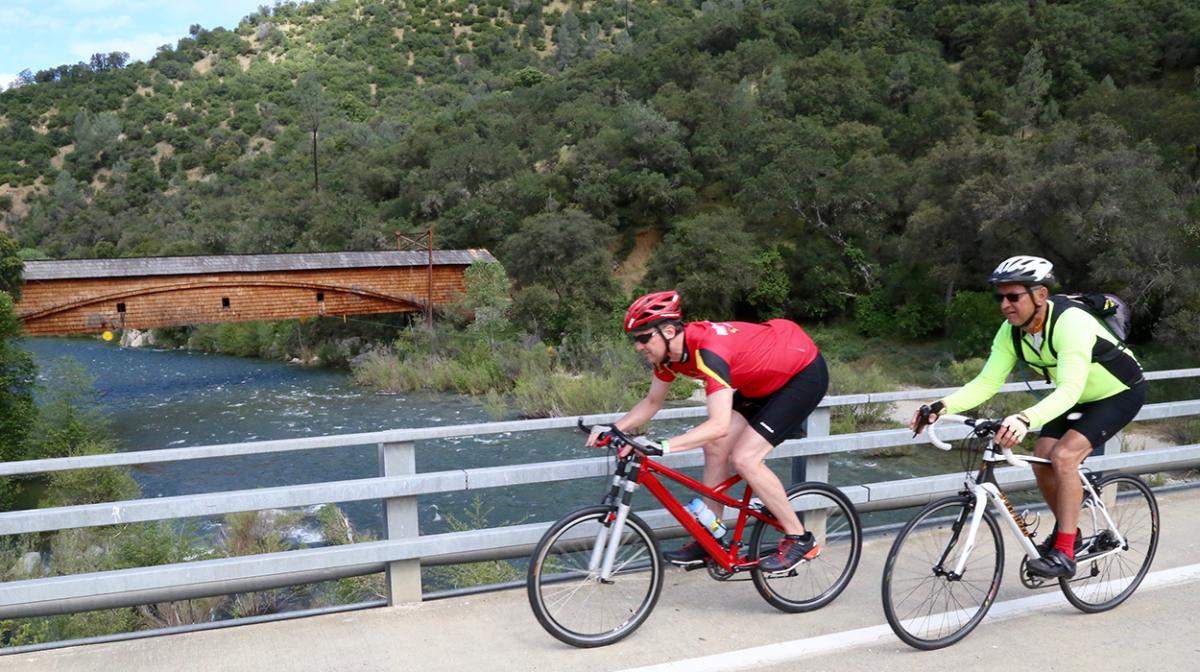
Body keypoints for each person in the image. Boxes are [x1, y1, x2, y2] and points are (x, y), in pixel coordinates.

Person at [910, 255, 1145, 578]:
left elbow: (1069, 389)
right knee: (1041, 456)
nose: (1005, 305)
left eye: (1013, 296)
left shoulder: (1070, 323)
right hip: (1075, 396)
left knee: (1064, 457)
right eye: (1000, 298)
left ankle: (1064, 553)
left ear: (1040, 295)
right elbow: (986, 383)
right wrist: (940, 407)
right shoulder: (1011, 332)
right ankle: (1071, 534)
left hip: (1117, 393)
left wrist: (1023, 419)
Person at [587, 290, 830, 574]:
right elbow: (653, 401)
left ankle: (799, 538)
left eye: (643, 338)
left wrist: (663, 446)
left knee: (745, 458)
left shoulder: (709, 352)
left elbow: (718, 424)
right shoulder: (668, 357)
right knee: (715, 447)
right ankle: (710, 537)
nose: (638, 347)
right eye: (635, 339)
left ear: (667, 331)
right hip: (761, 380)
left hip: (801, 373)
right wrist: (616, 428)